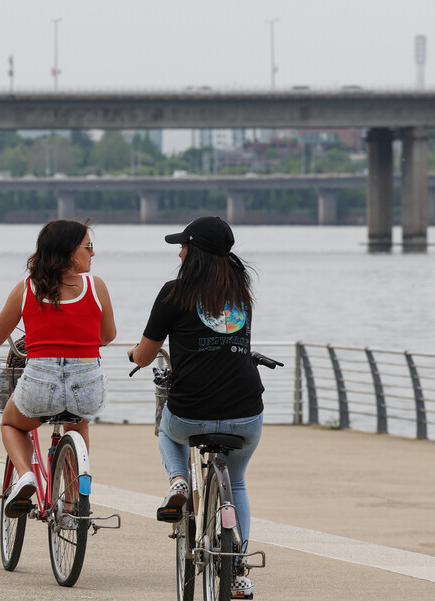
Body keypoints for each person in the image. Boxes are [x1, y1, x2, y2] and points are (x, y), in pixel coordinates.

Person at [128, 216, 263, 599]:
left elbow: (146, 352)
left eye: (183, 246)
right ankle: (238, 569)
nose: (180, 252)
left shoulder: (174, 292)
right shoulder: (242, 292)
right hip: (245, 415)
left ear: (195, 252)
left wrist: (135, 356)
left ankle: (178, 481)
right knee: (236, 482)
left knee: (166, 432)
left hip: (189, 415)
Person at [0, 219, 116, 518]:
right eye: (88, 247)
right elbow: (107, 337)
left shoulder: (26, 289)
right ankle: (72, 502)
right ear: (68, 252)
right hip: (86, 386)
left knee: (12, 424)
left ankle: (26, 476)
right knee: (77, 423)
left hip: (40, 385)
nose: (93, 253)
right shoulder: (97, 287)